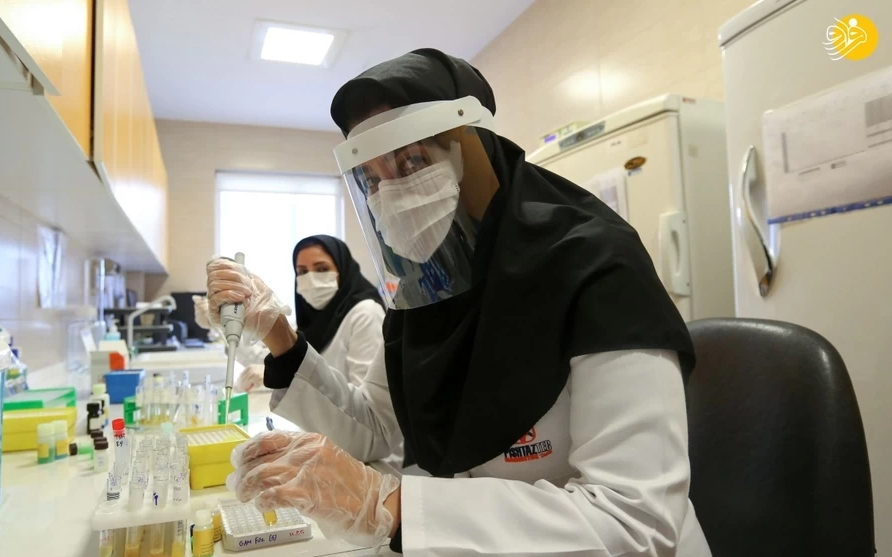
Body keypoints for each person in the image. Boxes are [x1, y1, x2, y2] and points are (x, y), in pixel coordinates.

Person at [209, 49, 711, 556]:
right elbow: (377, 432)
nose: (390, 195)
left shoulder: (595, 267)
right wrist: (279, 335)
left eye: (411, 162)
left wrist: (389, 506)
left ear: (474, 151)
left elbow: (634, 520)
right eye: (373, 179)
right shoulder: (425, 292)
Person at [196, 236, 386, 392]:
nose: (310, 278)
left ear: (343, 269)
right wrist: (227, 324)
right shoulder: (315, 318)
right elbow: (278, 356)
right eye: (302, 272)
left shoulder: (365, 314)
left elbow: (365, 404)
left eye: (321, 269)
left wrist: (286, 378)